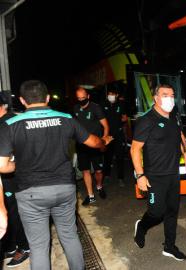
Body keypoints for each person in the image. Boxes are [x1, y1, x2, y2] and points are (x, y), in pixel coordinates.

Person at [0, 80, 112, 270]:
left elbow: (2, 166)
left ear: (22, 100)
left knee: (39, 246)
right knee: (69, 236)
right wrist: (104, 141)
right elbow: (93, 142)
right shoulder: (65, 117)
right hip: (64, 188)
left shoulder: (10, 124)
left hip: (30, 193)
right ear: (48, 98)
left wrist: (19, 164)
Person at [131, 84, 186, 261]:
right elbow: (135, 149)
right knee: (156, 213)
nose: (170, 98)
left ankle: (169, 246)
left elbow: (180, 135)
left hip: (173, 173)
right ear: (156, 98)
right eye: (165, 95)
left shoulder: (174, 116)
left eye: (172, 95)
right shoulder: (146, 120)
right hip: (154, 176)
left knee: (172, 211)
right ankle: (142, 227)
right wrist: (140, 175)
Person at [0, 92, 30, 267]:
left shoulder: (14, 121)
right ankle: (11, 245)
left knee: (14, 212)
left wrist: (14, 161)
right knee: (8, 212)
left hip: (14, 176)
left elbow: (26, 149)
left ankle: (25, 247)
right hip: (4, 176)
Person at [74, 87, 110, 205]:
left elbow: (106, 126)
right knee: (85, 171)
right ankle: (91, 195)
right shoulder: (75, 108)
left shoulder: (96, 107)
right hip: (82, 145)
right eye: (78, 98)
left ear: (88, 96)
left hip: (96, 145)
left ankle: (99, 186)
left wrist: (104, 141)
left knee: (98, 171)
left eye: (83, 98)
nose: (81, 100)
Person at [102, 88, 128, 187]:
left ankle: (120, 178)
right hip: (107, 135)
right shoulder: (103, 104)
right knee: (107, 157)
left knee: (119, 157)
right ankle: (107, 176)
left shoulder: (121, 104)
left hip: (118, 135)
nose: (110, 96)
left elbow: (125, 117)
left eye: (112, 94)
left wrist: (122, 121)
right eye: (109, 94)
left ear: (116, 95)